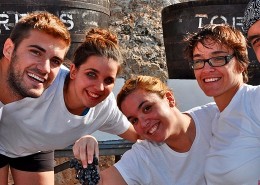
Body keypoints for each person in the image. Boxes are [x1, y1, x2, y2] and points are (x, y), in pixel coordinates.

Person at [0, 27, 139, 185]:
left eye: (108, 80)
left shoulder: (105, 109)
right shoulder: (41, 82)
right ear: (73, 71)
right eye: (91, 74)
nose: (99, 87)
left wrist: (86, 137)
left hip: (34, 149)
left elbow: (142, 134)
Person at [97, 75, 218, 185]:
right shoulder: (145, 154)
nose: (143, 123)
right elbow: (103, 182)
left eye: (147, 108)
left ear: (169, 99)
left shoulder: (217, 117)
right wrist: (88, 143)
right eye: (134, 120)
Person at [0, 11, 71, 185]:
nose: (45, 68)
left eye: (55, 61)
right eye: (36, 52)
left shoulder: (63, 82)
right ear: (9, 49)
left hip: (29, 129)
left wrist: (85, 136)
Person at [184, 24, 260, 184]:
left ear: (242, 63)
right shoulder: (214, 118)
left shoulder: (255, 100)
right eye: (198, 61)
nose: (206, 69)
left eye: (218, 58)